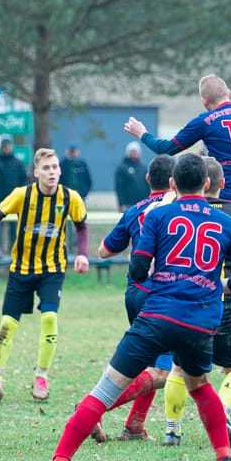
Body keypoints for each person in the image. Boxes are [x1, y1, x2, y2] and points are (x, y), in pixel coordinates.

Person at [29, 154, 231, 461]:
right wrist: (219, 283)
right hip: (201, 322)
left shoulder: (158, 215)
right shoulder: (226, 222)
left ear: (173, 184)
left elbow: (137, 268)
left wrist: (159, 276)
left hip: (159, 315)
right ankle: (224, 460)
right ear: (207, 184)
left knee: (105, 390)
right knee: (199, 386)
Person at [124, 73, 231, 324]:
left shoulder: (206, 121)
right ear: (229, 95)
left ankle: (206, 322)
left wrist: (143, 133)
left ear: (204, 101)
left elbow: (167, 148)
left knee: (209, 260)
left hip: (223, 202)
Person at [158, 157, 231, 447]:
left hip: (177, 299)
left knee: (179, 367)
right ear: (219, 184)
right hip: (217, 299)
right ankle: (224, 412)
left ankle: (172, 428)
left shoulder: (170, 208)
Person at [0, 148, 89, 402]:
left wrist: (81, 254)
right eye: (46, 168)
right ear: (36, 172)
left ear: (60, 170)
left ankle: (41, 377)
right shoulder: (21, 195)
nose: (52, 172)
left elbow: (81, 225)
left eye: (55, 167)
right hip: (21, 270)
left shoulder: (70, 198)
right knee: (6, 325)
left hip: (52, 269)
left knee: (49, 318)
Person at [94, 154, 177, 442]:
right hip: (159, 294)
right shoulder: (178, 208)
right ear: (173, 181)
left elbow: (104, 251)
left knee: (147, 362)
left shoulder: (135, 211)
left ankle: (134, 426)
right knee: (162, 371)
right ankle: (93, 410)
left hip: (134, 291)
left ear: (146, 180)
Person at [0, 138, 29, 256]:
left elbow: (23, 180)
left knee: (14, 228)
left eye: (7, 146)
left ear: (11, 147)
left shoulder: (17, 163)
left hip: (15, 201)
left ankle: (13, 251)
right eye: (4, 147)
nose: (6, 149)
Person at [60, 143, 92, 250]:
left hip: (80, 198)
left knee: (80, 222)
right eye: (70, 151)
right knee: (65, 222)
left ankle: (77, 243)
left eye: (74, 151)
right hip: (65, 198)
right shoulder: (62, 164)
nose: (72, 153)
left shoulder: (82, 164)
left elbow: (88, 180)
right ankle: (65, 243)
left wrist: (84, 193)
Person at [115, 141, 150, 212]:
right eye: (132, 151)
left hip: (142, 203)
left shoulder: (143, 167)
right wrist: (122, 203)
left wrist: (148, 201)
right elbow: (119, 187)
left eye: (135, 151)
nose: (134, 153)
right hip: (128, 204)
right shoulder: (122, 168)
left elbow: (147, 185)